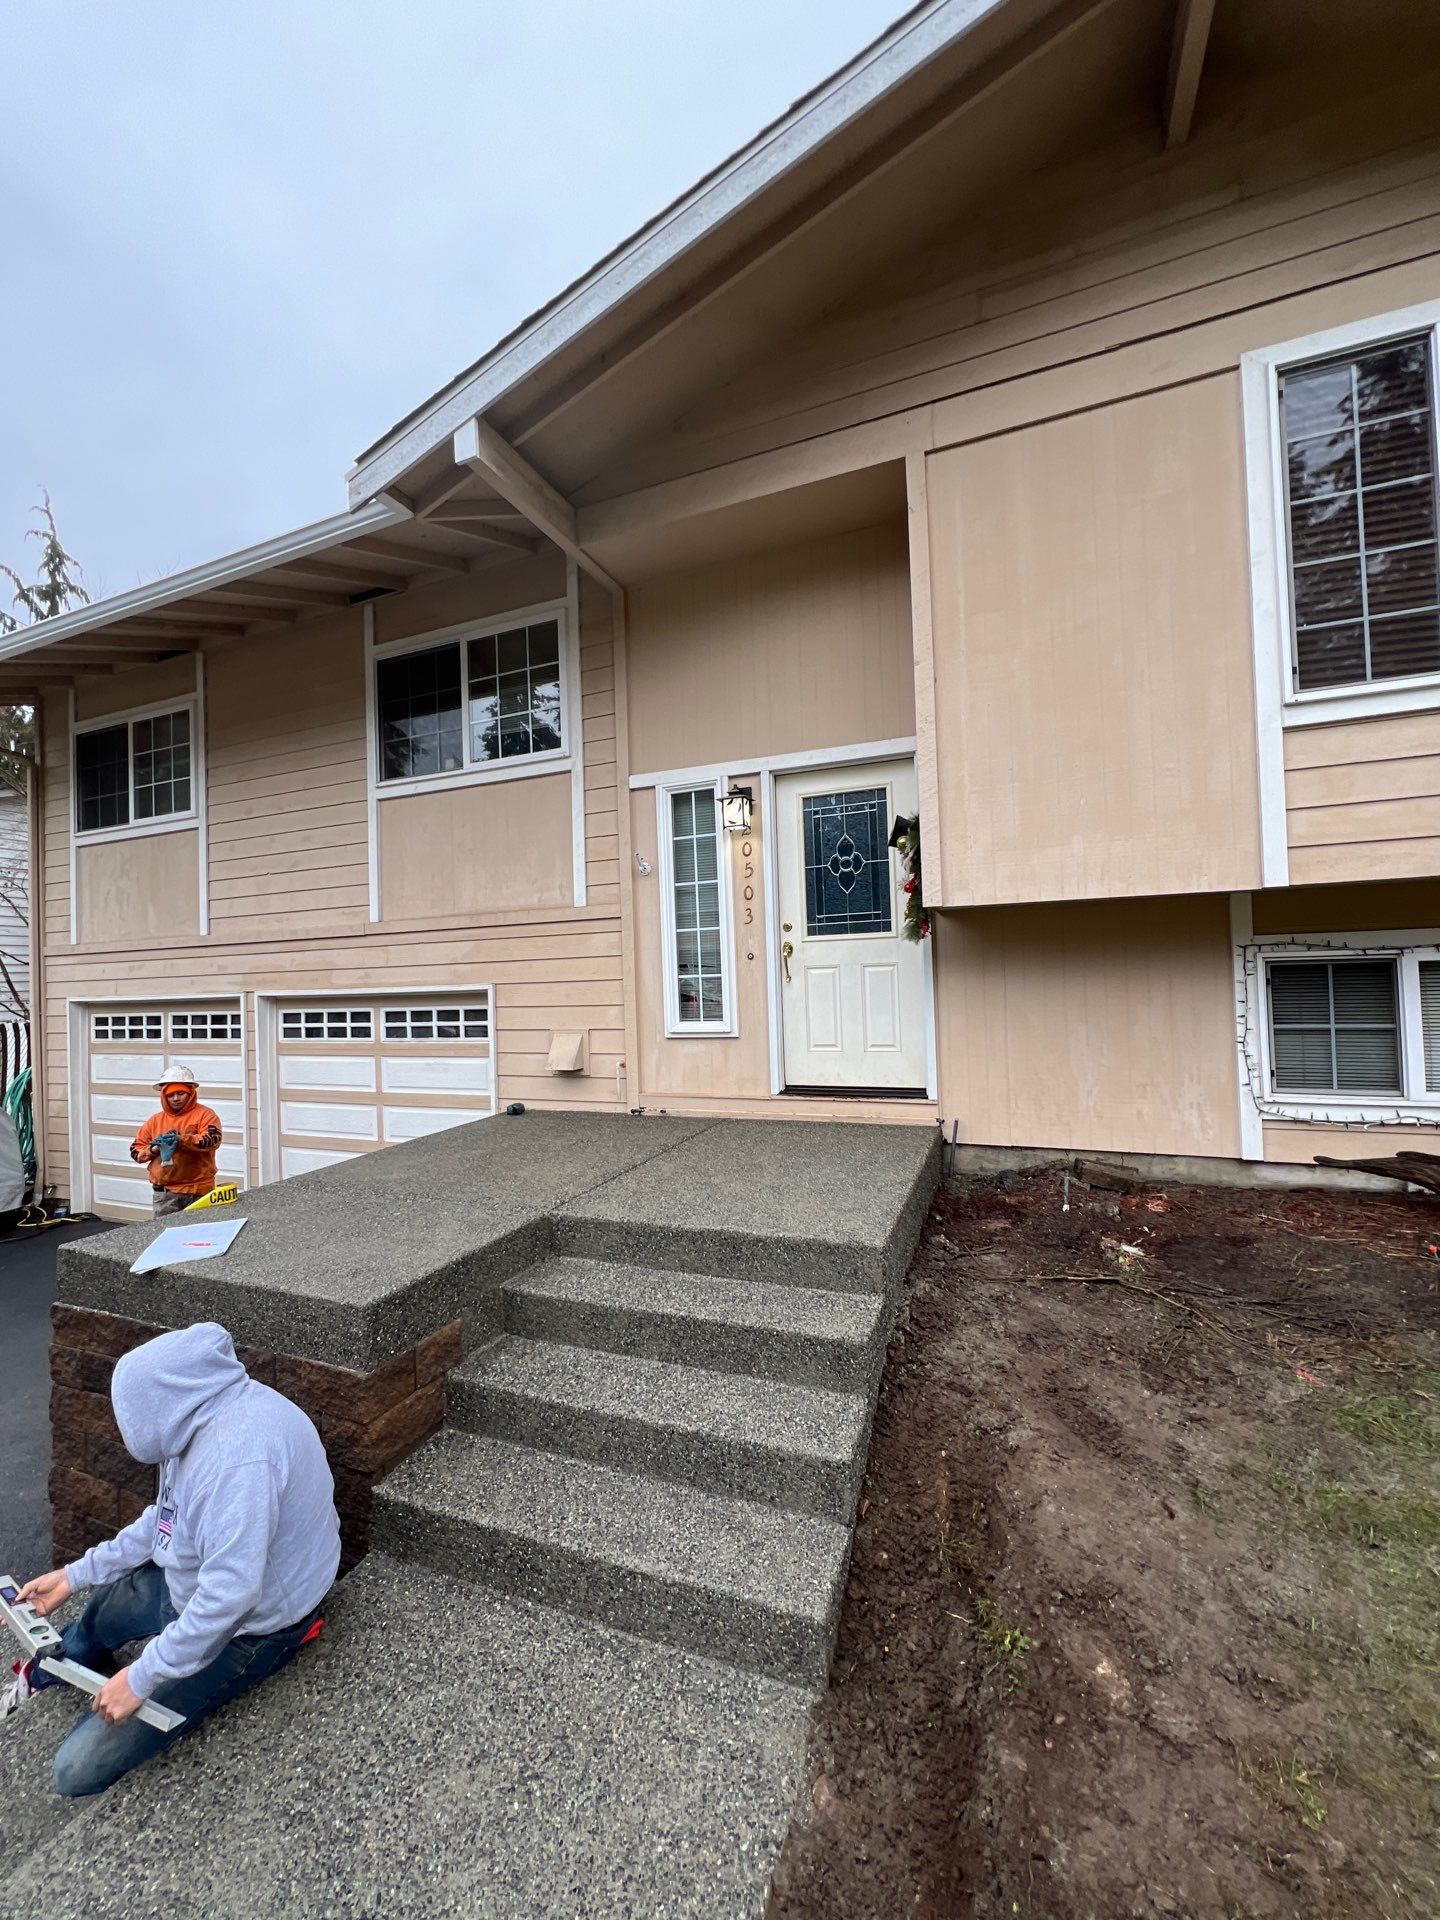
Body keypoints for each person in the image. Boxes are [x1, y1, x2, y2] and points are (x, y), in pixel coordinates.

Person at [0, 1323, 340, 1797]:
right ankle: (58, 1664)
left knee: (75, 1769)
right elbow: (165, 1517)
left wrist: (141, 1677)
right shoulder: (198, 1414)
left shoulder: (238, 1460)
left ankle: (287, 1642)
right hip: (201, 1579)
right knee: (104, 1608)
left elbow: (230, 1597)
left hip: (256, 1624)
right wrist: (74, 1576)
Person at [130, 1062, 223, 1215]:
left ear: (191, 1092)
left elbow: (212, 1140)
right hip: (166, 1195)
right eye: (171, 1095)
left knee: (201, 1236)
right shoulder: (155, 1121)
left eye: (180, 1093)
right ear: (164, 1096)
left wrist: (181, 1140)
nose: (176, 1098)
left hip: (199, 1191)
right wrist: (154, 1149)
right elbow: (136, 1151)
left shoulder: (206, 1115)